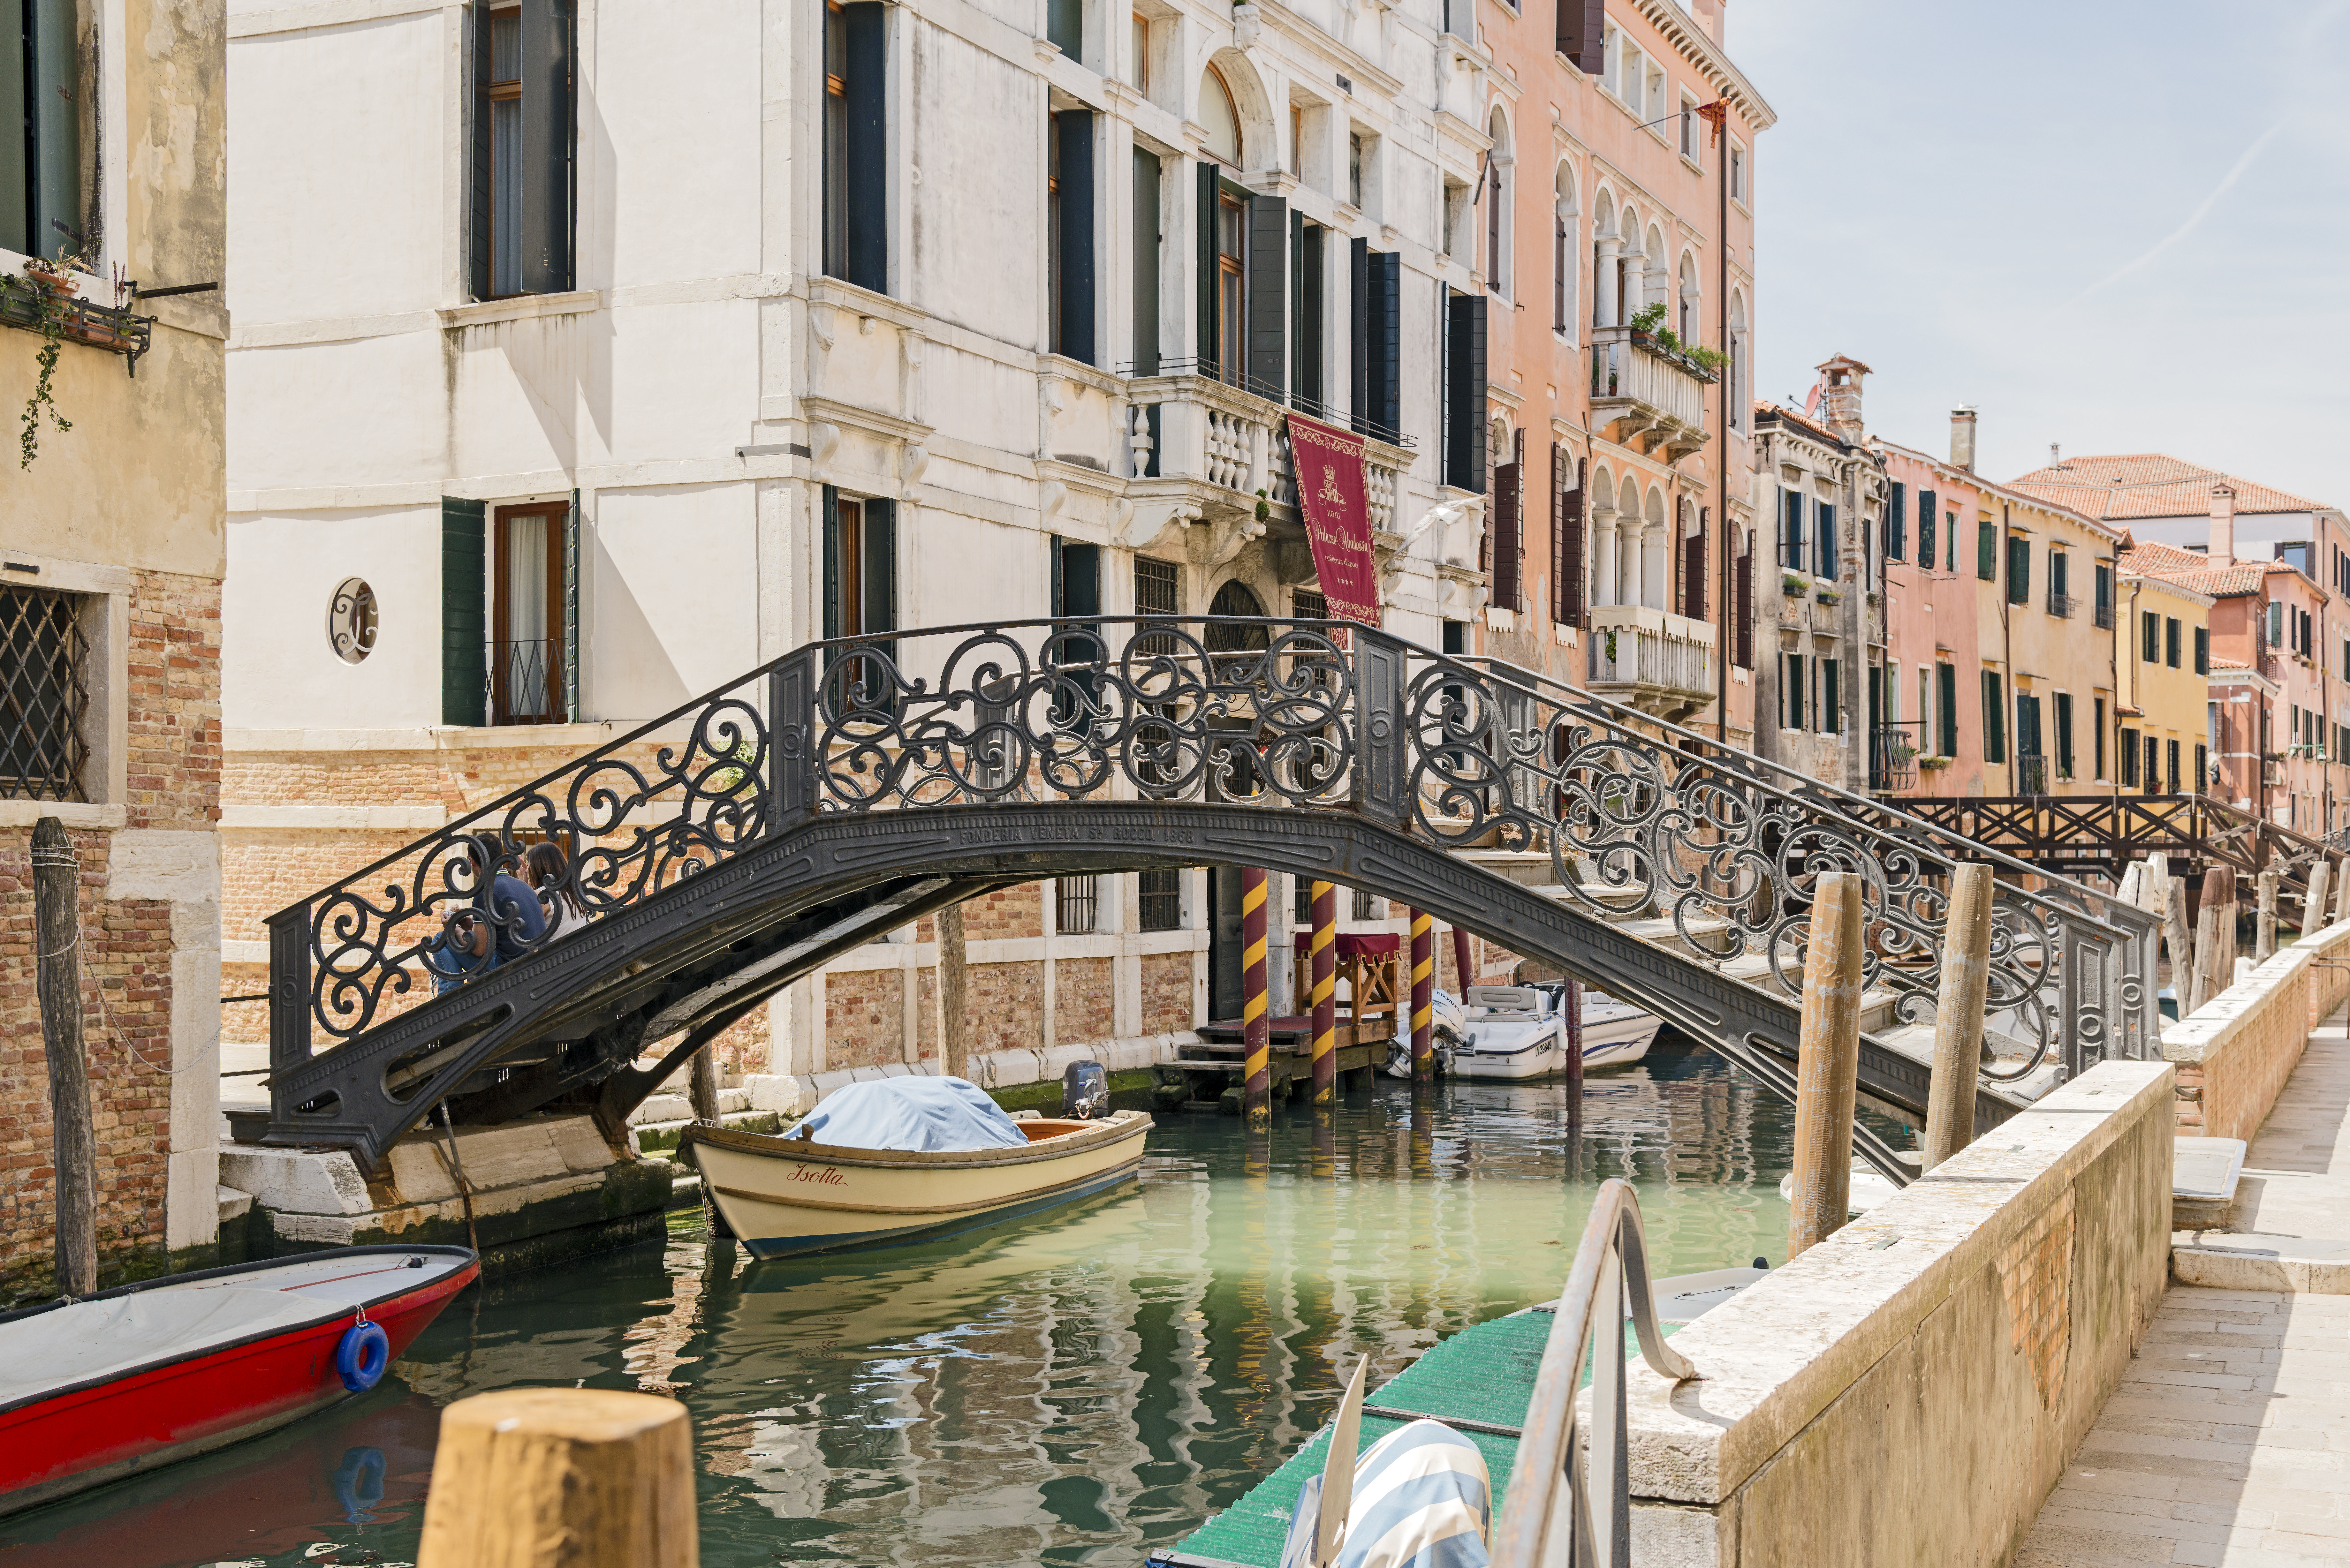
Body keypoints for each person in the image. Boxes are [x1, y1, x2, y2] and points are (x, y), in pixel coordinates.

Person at [424, 833, 548, 994]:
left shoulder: (486, 892)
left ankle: (450, 1000)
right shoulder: (523, 886)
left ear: (471, 861)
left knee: (441, 939)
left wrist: (453, 928)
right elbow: (495, 932)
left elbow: (479, 949)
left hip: (509, 972)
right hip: (538, 966)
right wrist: (469, 922)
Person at [526, 840, 592, 941]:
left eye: (528, 866)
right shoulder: (574, 892)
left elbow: (528, 932)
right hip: (581, 950)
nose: (526, 871)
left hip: (557, 955)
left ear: (537, 869)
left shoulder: (542, 895)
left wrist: (524, 886)